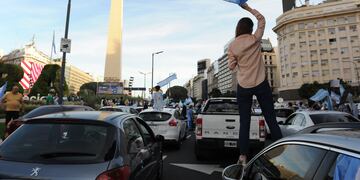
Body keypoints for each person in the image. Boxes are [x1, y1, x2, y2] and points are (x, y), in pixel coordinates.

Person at [227, 3, 283, 165]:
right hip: (261, 83)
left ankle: (243, 156)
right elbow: (262, 20)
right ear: (250, 29)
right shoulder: (255, 38)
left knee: (244, 122)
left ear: (238, 29)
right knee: (271, 119)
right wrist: (247, 8)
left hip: (243, 86)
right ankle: (281, 152)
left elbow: (231, 66)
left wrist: (237, 61)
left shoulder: (232, 46)